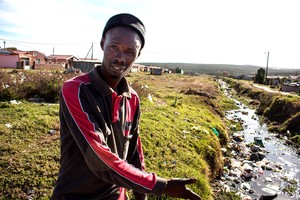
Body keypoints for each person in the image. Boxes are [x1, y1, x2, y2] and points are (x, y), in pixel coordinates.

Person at [51, 13, 201, 200]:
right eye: (114, 47)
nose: (120, 58)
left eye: (130, 51)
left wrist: (141, 193)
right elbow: (98, 159)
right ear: (102, 44)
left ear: (138, 55)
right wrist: (160, 186)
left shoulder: (133, 99)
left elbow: (134, 150)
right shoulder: (76, 90)